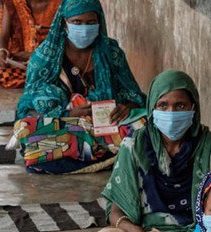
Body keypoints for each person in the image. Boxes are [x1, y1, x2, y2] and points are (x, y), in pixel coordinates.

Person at [93, 70, 211, 232]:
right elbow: (114, 208)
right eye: (163, 105)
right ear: (152, 109)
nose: (171, 112)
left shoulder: (210, 147)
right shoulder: (133, 145)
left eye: (180, 105)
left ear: (193, 107)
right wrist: (133, 231)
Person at [10, 0, 146, 174]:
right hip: (65, 123)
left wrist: (127, 107)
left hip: (108, 122)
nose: (84, 28)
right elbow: (30, 104)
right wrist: (66, 114)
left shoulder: (111, 52)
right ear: (64, 23)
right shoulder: (45, 56)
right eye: (77, 22)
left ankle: (82, 154)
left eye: (91, 22)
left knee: (145, 125)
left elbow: (133, 93)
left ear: (99, 22)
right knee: (27, 129)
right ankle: (109, 154)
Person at [0, 0, 63, 89]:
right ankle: (42, 82)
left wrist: (35, 56)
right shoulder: (13, 2)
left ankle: (39, 81)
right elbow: (4, 36)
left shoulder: (61, 3)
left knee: (64, 70)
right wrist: (1, 52)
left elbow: (65, 40)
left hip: (51, 61)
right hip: (24, 66)